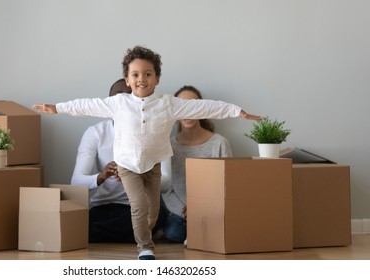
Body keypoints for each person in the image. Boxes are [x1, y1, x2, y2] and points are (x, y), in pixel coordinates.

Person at [32, 45, 261, 260]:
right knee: (139, 205)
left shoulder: (168, 104)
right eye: (136, 74)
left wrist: (236, 111)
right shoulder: (118, 103)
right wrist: (58, 108)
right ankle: (145, 247)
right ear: (128, 79)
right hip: (127, 166)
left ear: (157, 78)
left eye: (148, 74)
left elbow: (204, 106)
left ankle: (145, 233)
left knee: (153, 212)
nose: (142, 79)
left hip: (153, 166)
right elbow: (86, 105)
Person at [71, 78, 169, 243]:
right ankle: (135, 235)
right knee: (81, 220)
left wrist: (136, 176)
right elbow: (76, 182)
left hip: (135, 207)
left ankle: (90, 233)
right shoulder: (95, 133)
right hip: (102, 206)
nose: (124, 102)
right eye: (118, 97)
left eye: (129, 96)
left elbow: (167, 183)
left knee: (157, 215)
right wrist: (102, 176)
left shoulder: (155, 131)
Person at [161, 85, 233, 243]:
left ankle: (203, 233)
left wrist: (203, 208)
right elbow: (167, 190)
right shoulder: (168, 146)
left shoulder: (219, 143)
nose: (188, 112)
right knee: (173, 232)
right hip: (182, 213)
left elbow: (228, 184)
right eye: (181, 106)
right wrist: (186, 210)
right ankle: (203, 234)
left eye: (193, 105)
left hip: (213, 209)